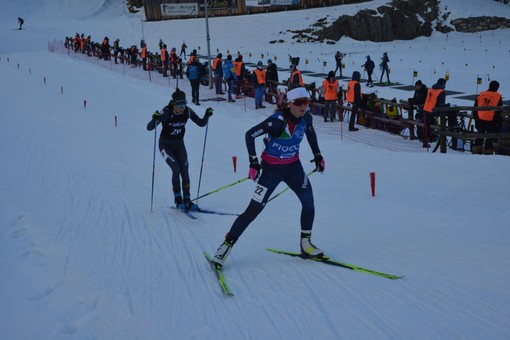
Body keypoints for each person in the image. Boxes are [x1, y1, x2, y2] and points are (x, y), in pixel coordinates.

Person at [210, 87, 326, 269]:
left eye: (306, 102)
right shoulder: (277, 122)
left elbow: (310, 132)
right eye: (298, 103)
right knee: (253, 210)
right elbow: (249, 135)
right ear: (290, 104)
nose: (303, 106)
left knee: (308, 202)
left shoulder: (307, 118)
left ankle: (306, 244)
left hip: (293, 168)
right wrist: (253, 162)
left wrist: (318, 155)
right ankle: (225, 246)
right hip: (271, 170)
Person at [146, 89, 214, 210]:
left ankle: (187, 200)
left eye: (184, 104)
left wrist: (207, 115)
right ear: (174, 104)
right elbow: (150, 128)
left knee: (185, 170)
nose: (182, 108)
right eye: (179, 105)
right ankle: (178, 200)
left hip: (179, 145)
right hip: (165, 145)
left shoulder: (187, 111)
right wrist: (154, 118)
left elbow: (201, 123)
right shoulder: (167, 112)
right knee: (176, 169)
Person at [473, 80, 503, 154]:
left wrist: (476, 119)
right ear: (497, 88)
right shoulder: (498, 96)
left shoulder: (481, 94)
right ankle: (488, 153)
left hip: (480, 118)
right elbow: (499, 111)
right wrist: (498, 123)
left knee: (479, 136)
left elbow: (475, 108)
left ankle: (476, 151)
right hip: (491, 120)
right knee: (489, 138)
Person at [422, 78, 447, 147]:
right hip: (433, 111)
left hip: (426, 109)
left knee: (426, 126)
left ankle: (425, 141)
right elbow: (441, 104)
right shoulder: (441, 91)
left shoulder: (431, 89)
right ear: (443, 84)